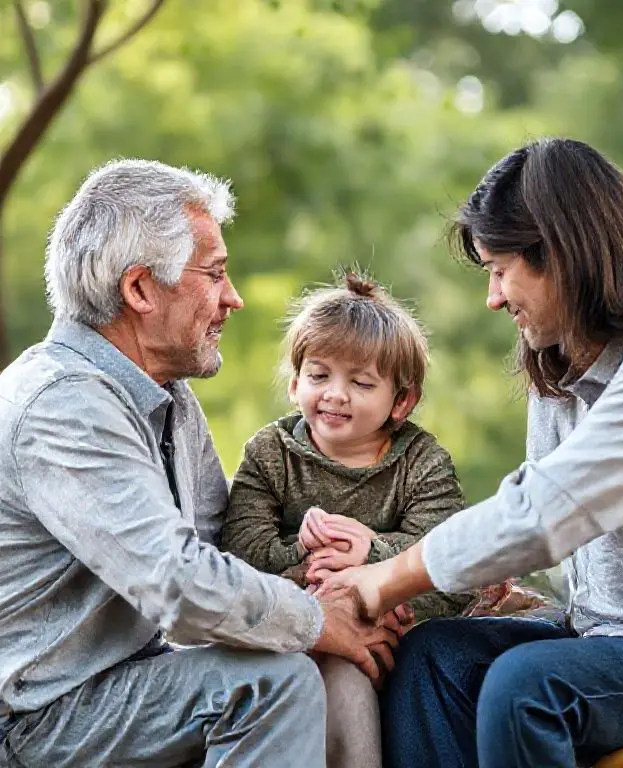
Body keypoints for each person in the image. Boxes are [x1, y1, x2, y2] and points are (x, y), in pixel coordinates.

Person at [317, 137, 623, 768]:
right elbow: (533, 512)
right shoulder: (563, 366)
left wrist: (381, 583)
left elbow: (549, 511)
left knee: (528, 688)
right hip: (601, 638)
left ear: (562, 255)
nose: (494, 297)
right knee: (432, 660)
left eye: (501, 270)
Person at [0, 159, 399, 768]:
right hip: (35, 721)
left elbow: (228, 555)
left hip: (116, 692)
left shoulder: (166, 400)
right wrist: (318, 618)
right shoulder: (62, 405)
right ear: (139, 290)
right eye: (214, 275)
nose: (232, 298)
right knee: (271, 684)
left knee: (318, 658)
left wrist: (354, 583)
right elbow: (180, 586)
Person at [221, 271, 473, 768]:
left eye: (360, 383)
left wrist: (371, 555)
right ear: (295, 384)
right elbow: (237, 554)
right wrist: (306, 555)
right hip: (298, 632)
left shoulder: (422, 463)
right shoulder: (271, 455)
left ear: (402, 401)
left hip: (398, 637)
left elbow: (454, 567)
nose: (335, 394)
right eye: (319, 376)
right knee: (337, 673)